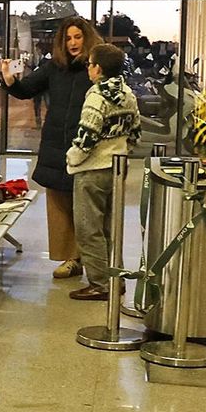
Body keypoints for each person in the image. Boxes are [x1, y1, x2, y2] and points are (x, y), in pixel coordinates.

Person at [1, 17, 104, 280]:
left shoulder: (97, 68)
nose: (72, 43)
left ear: (87, 38)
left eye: (78, 37)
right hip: (56, 146)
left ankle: (88, 259)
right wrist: (10, 81)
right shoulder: (53, 68)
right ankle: (71, 258)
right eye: (68, 38)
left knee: (85, 208)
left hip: (86, 148)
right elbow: (26, 90)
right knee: (59, 205)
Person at [63, 43, 142, 301]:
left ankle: (100, 283)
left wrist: (73, 158)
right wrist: (121, 150)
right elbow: (136, 132)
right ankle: (115, 278)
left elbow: (87, 136)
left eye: (90, 64)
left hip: (93, 169)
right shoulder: (128, 94)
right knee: (110, 226)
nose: (88, 68)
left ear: (98, 68)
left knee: (89, 228)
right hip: (118, 167)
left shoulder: (96, 96)